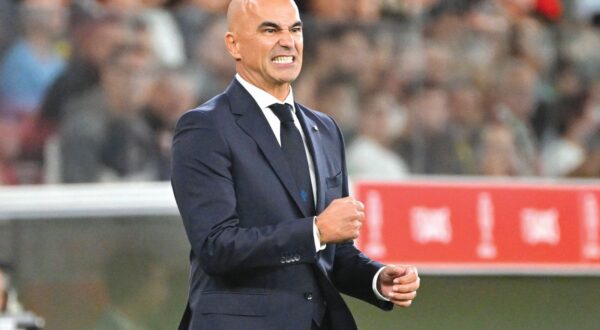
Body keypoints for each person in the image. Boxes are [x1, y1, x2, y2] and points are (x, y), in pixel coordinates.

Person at [170, 1, 420, 329]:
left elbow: (333, 250)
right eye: (270, 30)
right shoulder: (205, 128)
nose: (287, 41)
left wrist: (375, 278)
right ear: (234, 44)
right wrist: (315, 231)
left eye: (296, 29)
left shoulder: (326, 129)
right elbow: (217, 247)